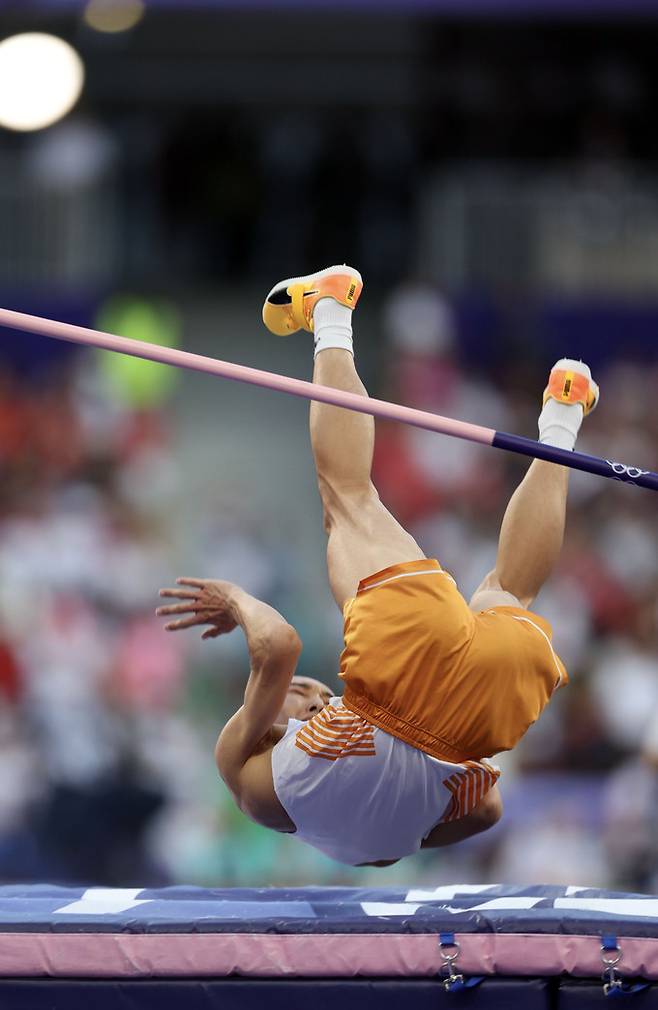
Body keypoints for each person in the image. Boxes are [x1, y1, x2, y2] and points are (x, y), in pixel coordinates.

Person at [156, 265, 599, 867]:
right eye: (299, 695)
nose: (305, 691)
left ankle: (564, 413)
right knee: (347, 498)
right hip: (401, 691)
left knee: (511, 592)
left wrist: (416, 822)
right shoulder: (243, 766)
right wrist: (235, 598)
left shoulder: (320, 812)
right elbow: (280, 646)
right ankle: (330, 311)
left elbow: (486, 812)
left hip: (459, 728)